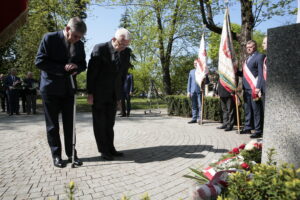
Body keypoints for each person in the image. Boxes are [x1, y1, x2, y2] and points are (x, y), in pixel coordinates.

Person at [35, 17, 87, 168]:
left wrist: (76, 67)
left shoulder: (79, 44)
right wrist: (63, 69)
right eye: (75, 36)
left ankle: (72, 154)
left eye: (80, 37)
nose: (77, 40)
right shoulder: (49, 38)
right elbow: (39, 61)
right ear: (67, 28)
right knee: (53, 126)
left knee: (70, 124)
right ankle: (56, 156)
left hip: (69, 89)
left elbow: (83, 64)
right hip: (50, 89)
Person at [87, 28, 131, 161]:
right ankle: (103, 150)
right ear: (114, 39)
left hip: (113, 94)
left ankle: (111, 148)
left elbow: (122, 76)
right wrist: (90, 93)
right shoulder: (100, 49)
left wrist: (119, 96)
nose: (123, 47)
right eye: (121, 44)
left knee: (110, 123)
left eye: (126, 45)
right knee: (100, 123)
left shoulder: (126, 52)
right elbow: (92, 73)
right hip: (99, 93)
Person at [239, 40, 265, 138]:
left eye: (250, 46)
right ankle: (248, 127)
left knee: (256, 110)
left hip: (254, 89)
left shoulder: (260, 56)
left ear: (255, 46)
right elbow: (244, 74)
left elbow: (261, 73)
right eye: (247, 47)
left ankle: (258, 130)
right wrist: (236, 71)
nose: (248, 48)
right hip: (246, 89)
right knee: (248, 109)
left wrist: (258, 87)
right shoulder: (247, 59)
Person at [187, 59, 204, 124]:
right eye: (194, 63)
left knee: (200, 106)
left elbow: (207, 82)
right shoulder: (191, 71)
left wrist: (205, 77)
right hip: (192, 91)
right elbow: (189, 82)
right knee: (194, 106)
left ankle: (199, 119)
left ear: (199, 64)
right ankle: (194, 118)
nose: (195, 64)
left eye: (196, 63)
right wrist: (188, 91)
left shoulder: (202, 71)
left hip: (199, 91)